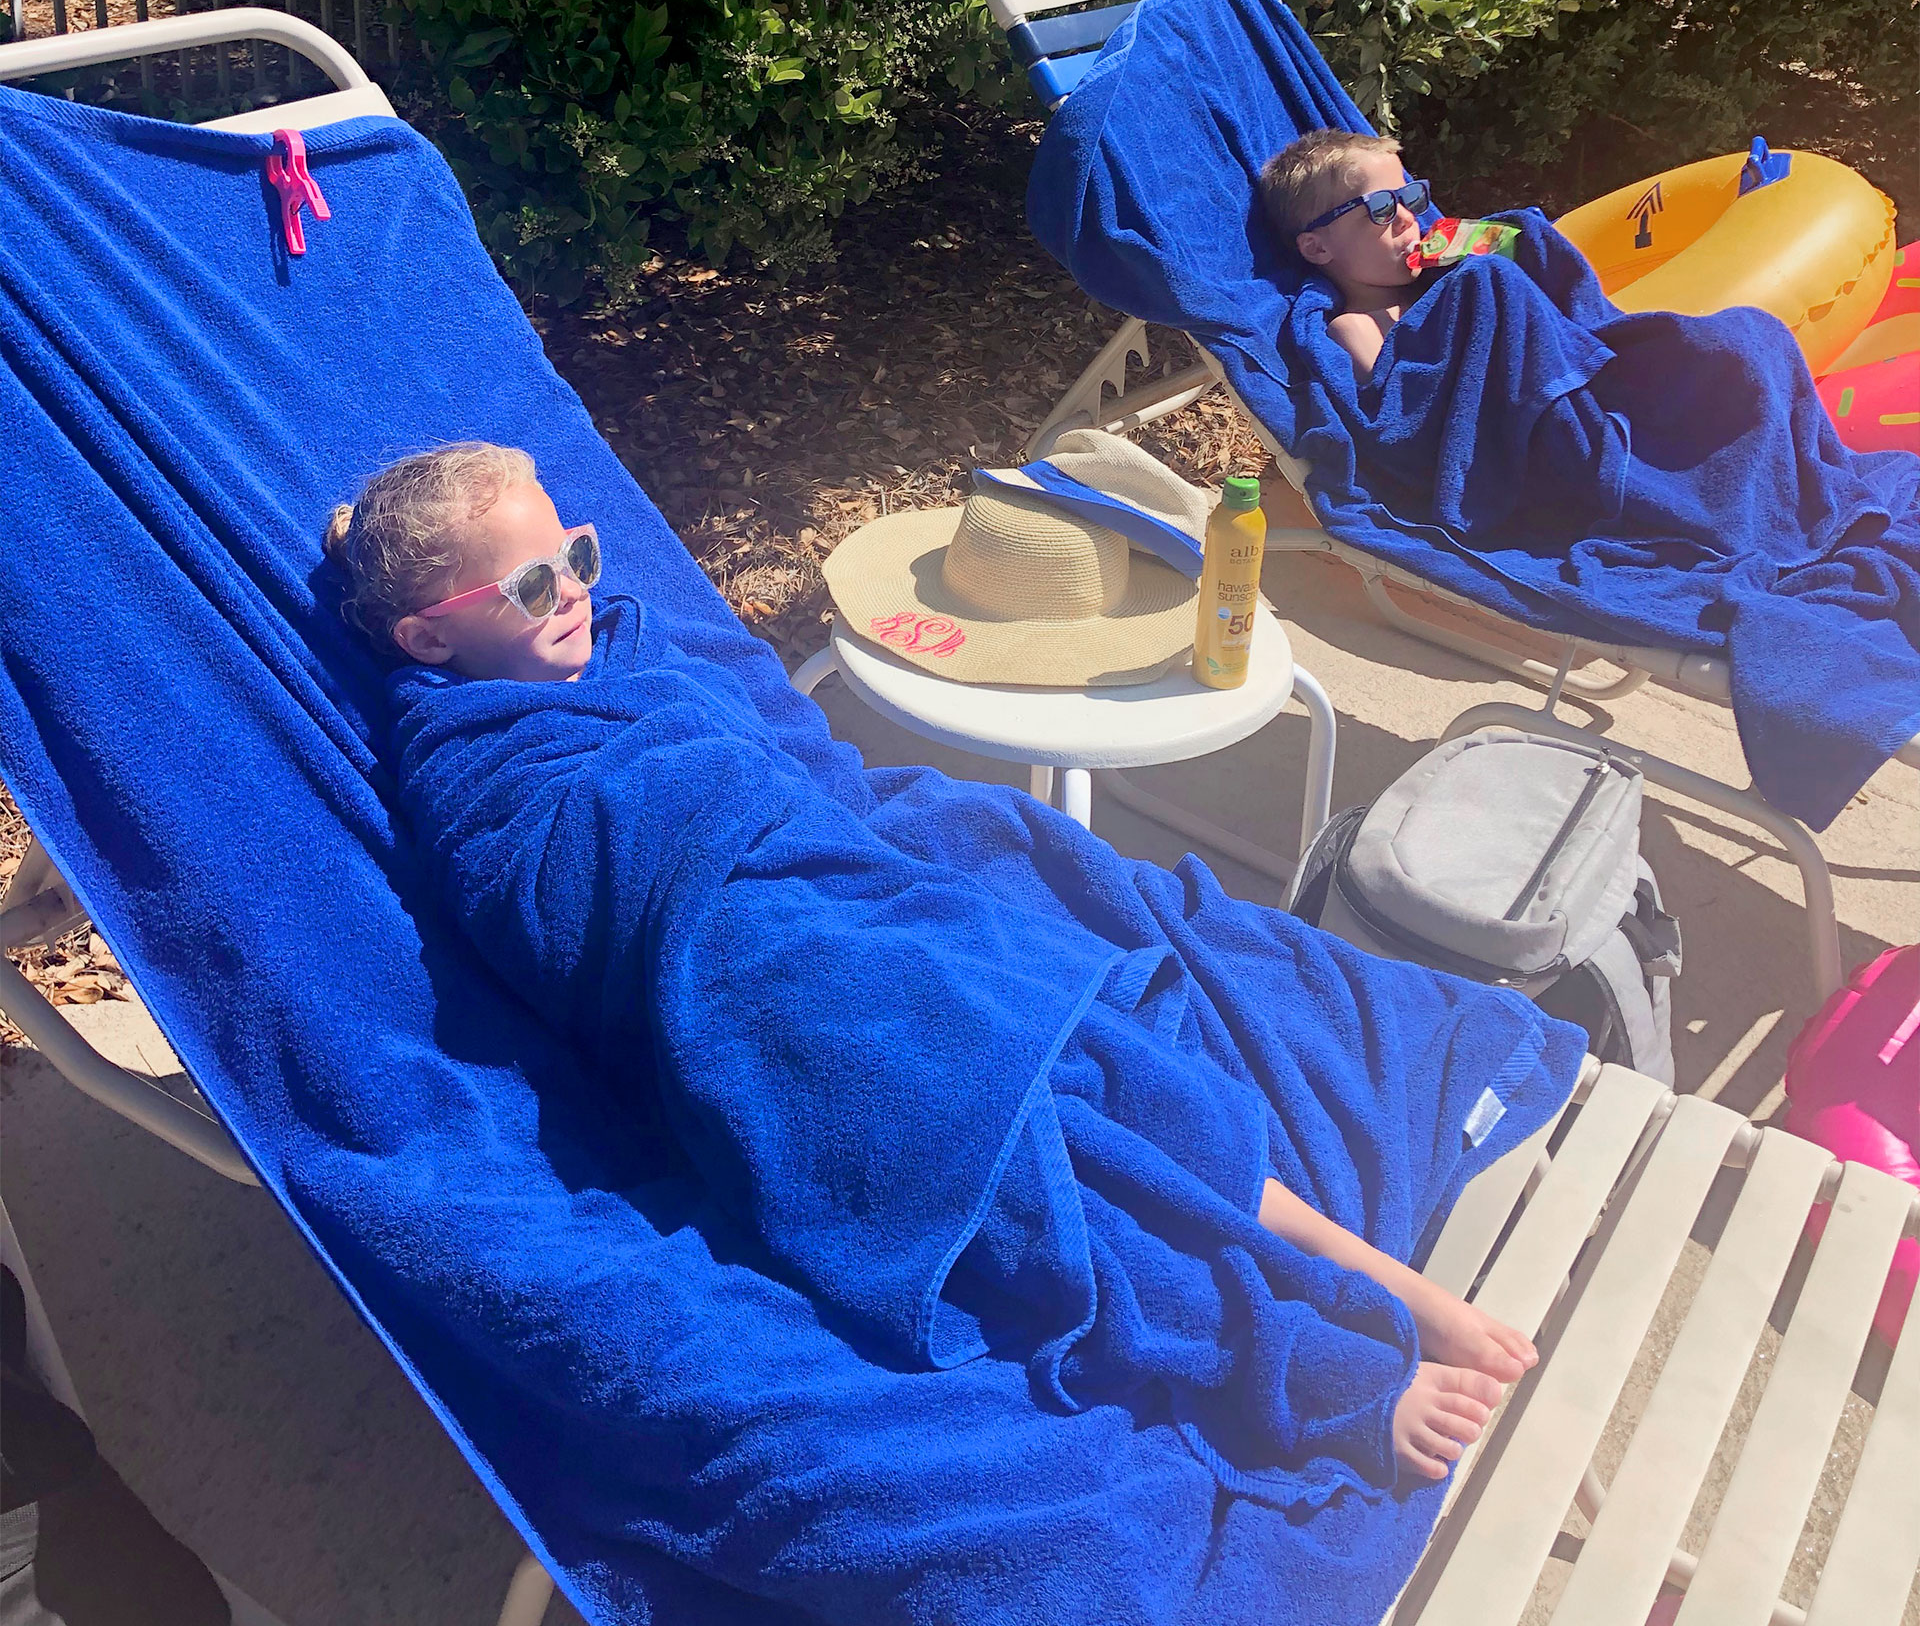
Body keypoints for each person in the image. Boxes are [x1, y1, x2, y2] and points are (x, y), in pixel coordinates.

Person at [324, 442, 1545, 1482]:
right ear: (429, 634)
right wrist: (714, 807)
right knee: (1009, 1158)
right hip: (755, 992)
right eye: (536, 583)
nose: (577, 590)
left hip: (843, 919)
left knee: (1101, 1060)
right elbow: (540, 902)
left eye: (581, 555)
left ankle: (1361, 1270)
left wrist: (751, 799)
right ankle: (1303, 1369)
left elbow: (762, 757)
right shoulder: (466, 766)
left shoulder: (617, 658)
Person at [1259, 129, 1433, 379]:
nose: (1408, 218)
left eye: (1410, 197)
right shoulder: (1358, 329)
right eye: (1382, 207)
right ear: (1317, 248)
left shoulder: (1443, 280)